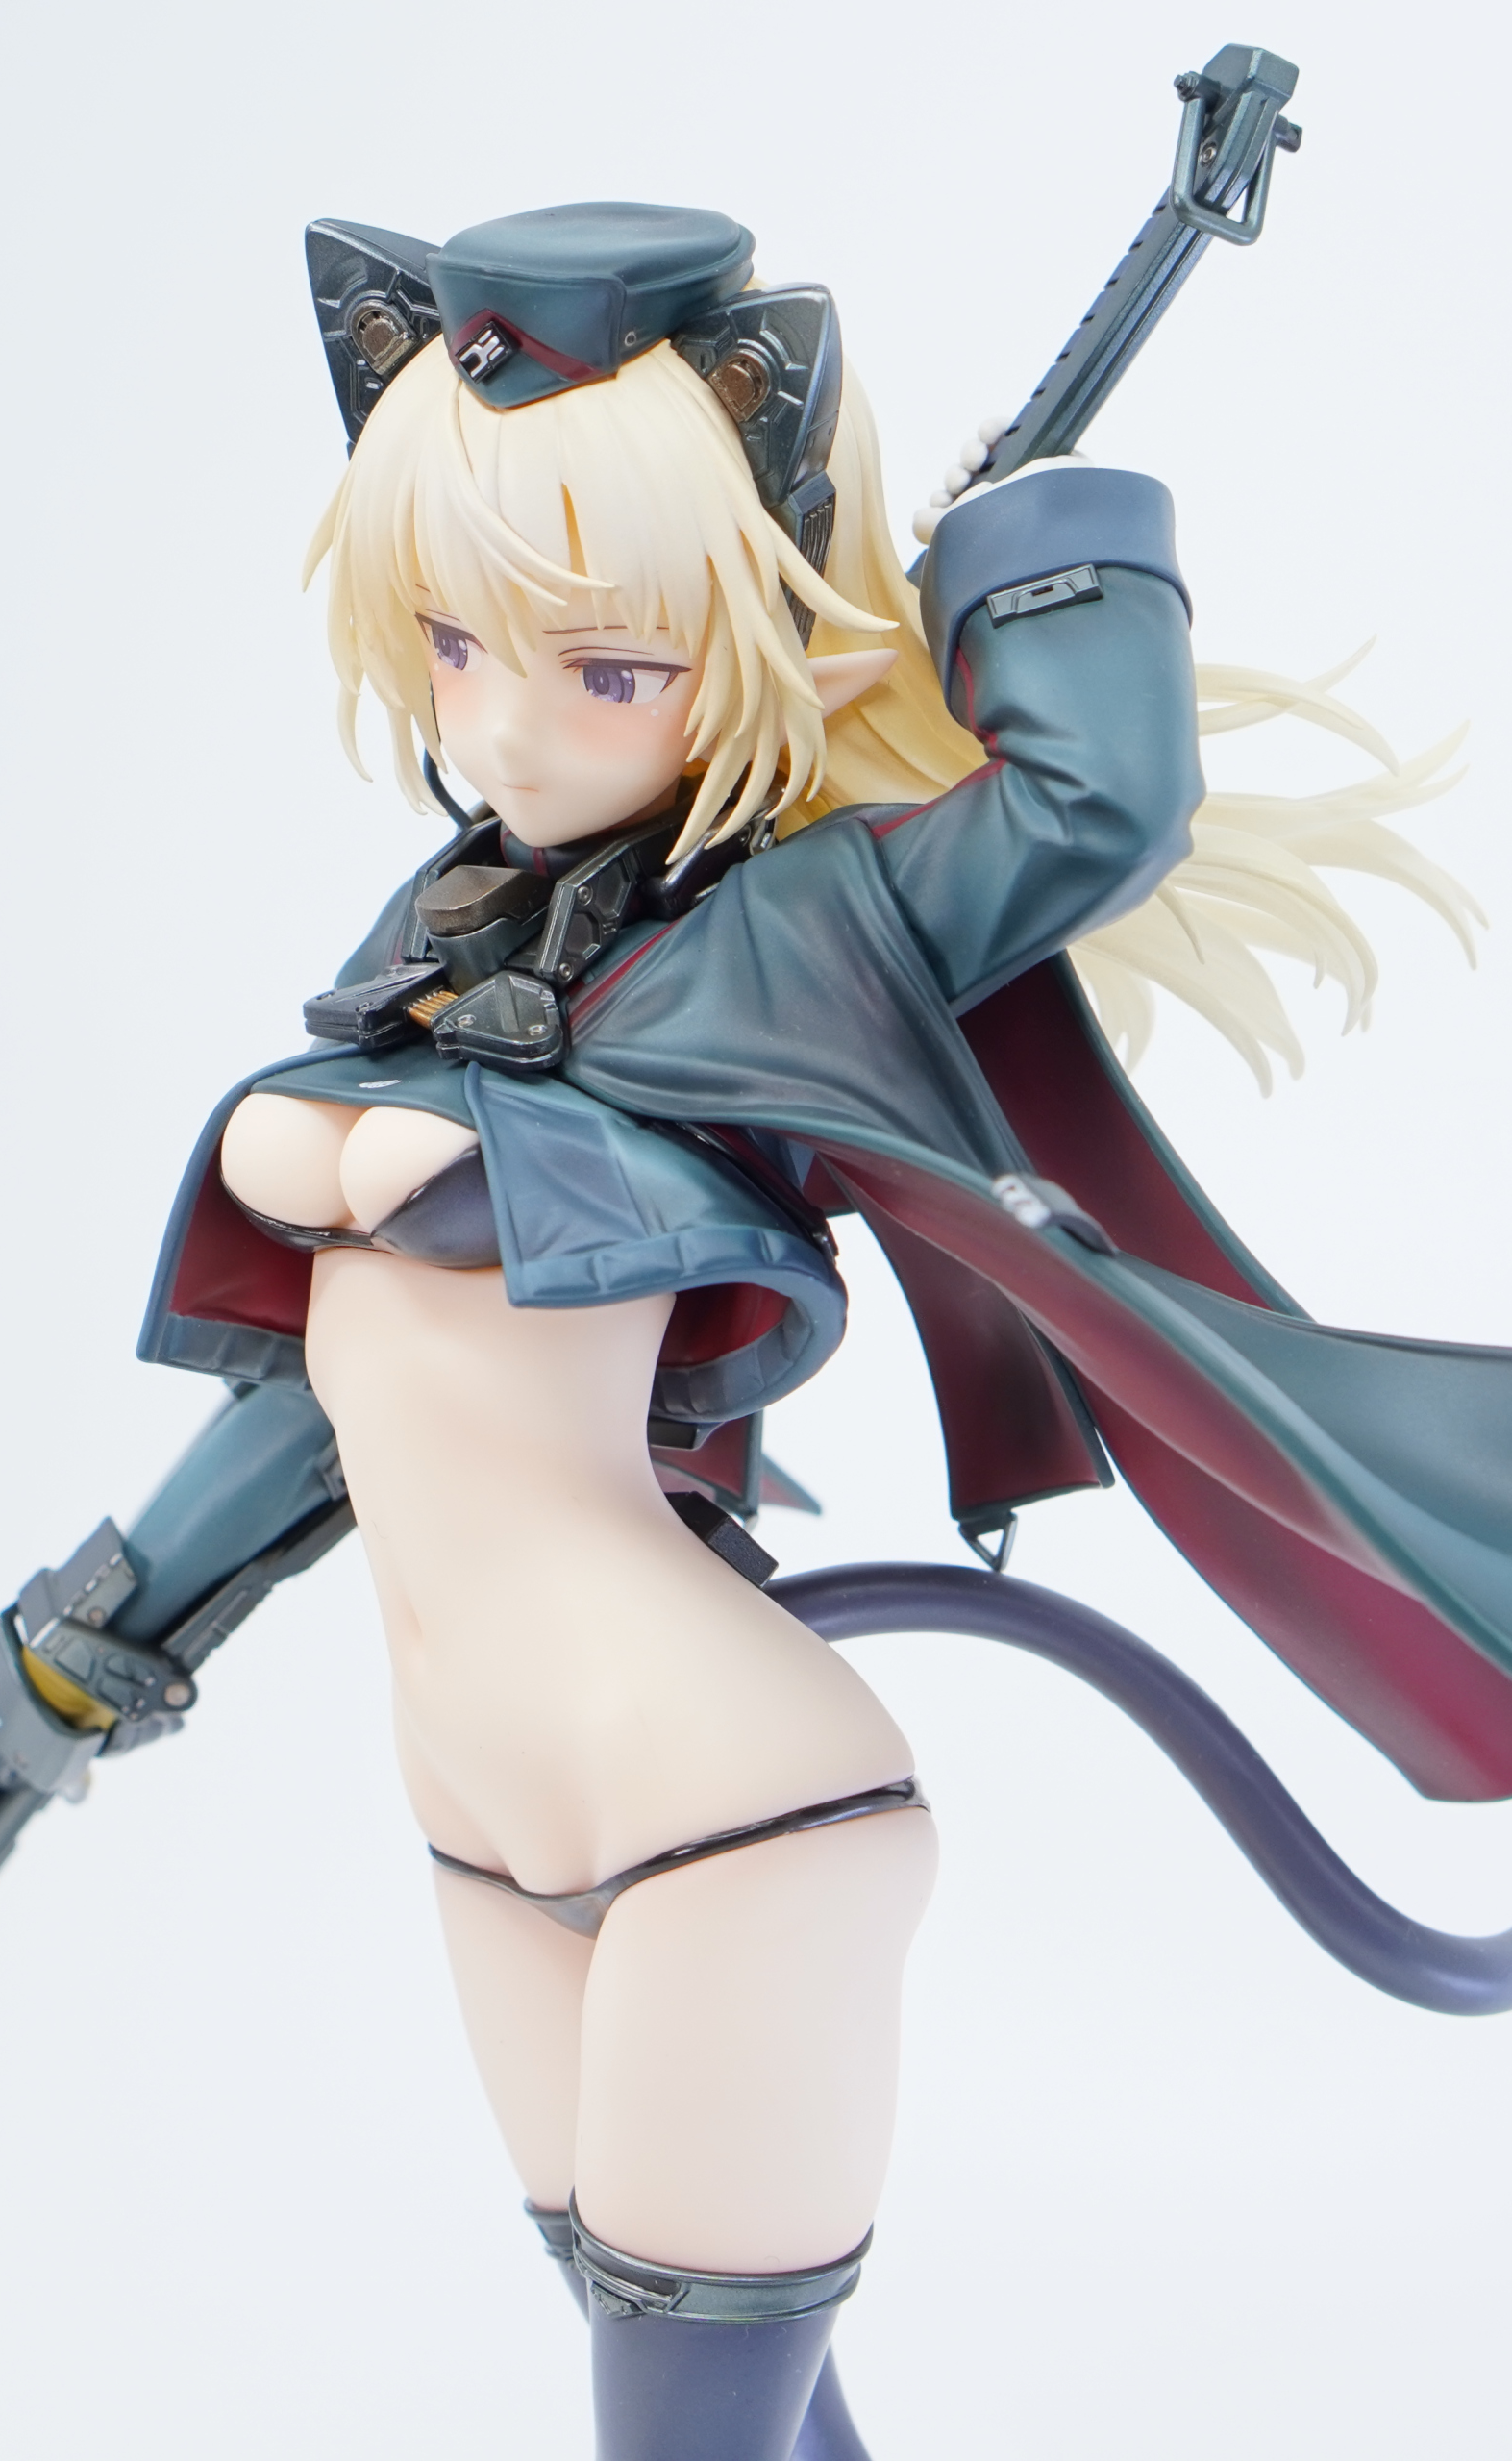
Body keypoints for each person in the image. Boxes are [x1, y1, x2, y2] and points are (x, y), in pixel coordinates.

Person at [105, 203, 1500, 2461]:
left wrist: (1023, 541)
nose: (504, 723)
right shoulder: (448, 956)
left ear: (752, 637)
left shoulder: (803, 934)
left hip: (723, 1809)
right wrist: (119, 1610)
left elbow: (1099, 803)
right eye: (454, 639)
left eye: (608, 666)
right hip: (485, 1826)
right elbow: (356, 1389)